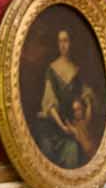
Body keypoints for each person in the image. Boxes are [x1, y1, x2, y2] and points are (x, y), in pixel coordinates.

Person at [36, 25, 86, 169]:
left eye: (66, 41)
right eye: (60, 41)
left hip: (70, 125)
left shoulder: (76, 70)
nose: (63, 45)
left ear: (71, 43)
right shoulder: (51, 69)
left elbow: (80, 97)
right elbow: (49, 104)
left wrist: (82, 113)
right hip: (53, 126)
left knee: (74, 149)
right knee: (47, 150)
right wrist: (62, 126)